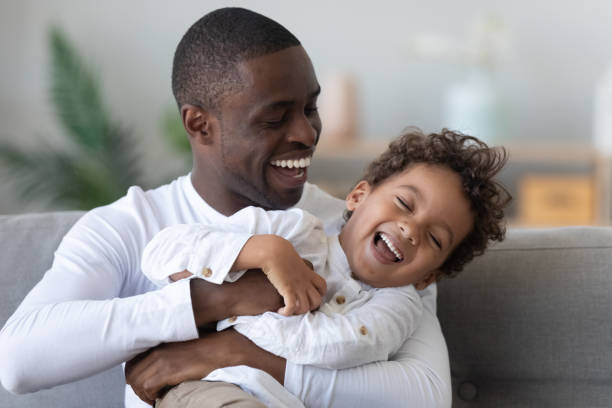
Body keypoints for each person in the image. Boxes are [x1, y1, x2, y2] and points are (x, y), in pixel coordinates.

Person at [0, 7, 501, 408]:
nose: (306, 134)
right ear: (200, 125)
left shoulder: (378, 239)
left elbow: (423, 392)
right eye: (274, 118)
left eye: (310, 108)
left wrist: (234, 352)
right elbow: (19, 361)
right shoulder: (130, 226)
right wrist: (216, 301)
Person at [141, 128, 510, 407]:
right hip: (210, 385)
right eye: (404, 203)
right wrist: (259, 251)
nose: (411, 230)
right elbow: (159, 255)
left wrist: (244, 334)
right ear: (358, 196)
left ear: (429, 276)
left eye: (434, 239)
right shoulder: (292, 230)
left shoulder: (399, 308)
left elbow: (342, 346)